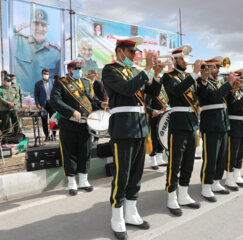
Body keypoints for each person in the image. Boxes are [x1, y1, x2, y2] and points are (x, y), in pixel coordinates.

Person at [102, 36, 163, 240]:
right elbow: (127, 89)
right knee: (122, 174)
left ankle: (131, 211)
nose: (134, 56)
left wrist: (156, 74)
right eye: (131, 52)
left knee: (136, 174)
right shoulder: (109, 70)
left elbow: (152, 94)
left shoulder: (136, 72)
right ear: (120, 52)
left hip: (139, 126)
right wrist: (146, 69)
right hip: (123, 127)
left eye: (136, 53)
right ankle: (116, 216)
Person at [50, 58, 107, 197]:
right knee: (69, 153)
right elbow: (55, 100)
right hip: (69, 124)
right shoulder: (61, 83)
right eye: (76, 69)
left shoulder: (87, 82)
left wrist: (101, 104)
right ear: (69, 70)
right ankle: (71, 182)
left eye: (80, 69)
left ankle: (83, 180)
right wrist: (72, 112)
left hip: (85, 125)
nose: (79, 72)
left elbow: (92, 99)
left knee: (85, 152)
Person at [162, 45, 202, 216]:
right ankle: (172, 198)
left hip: (191, 123)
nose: (186, 61)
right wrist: (194, 74)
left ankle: (184, 195)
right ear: (175, 60)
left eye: (187, 58)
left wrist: (202, 77)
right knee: (175, 163)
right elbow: (177, 91)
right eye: (183, 58)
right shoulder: (168, 76)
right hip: (178, 123)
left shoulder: (189, 77)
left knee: (188, 162)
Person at [196, 56, 236, 201]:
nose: (218, 70)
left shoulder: (219, 83)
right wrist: (229, 84)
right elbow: (213, 97)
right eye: (215, 67)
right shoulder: (202, 82)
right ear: (207, 68)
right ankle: (206, 186)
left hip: (223, 123)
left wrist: (232, 89)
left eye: (219, 67)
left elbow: (228, 103)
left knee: (221, 156)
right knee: (210, 157)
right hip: (210, 124)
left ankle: (216, 182)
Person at [14, 8, 60, 93]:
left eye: (43, 25)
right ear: (30, 25)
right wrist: (20, 26)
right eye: (36, 24)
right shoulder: (17, 41)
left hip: (45, 102)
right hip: (21, 102)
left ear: (48, 28)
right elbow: (3, 33)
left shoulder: (56, 53)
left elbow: (59, 83)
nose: (40, 28)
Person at [145, 87, 169, 170]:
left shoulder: (164, 93)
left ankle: (159, 158)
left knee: (162, 138)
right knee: (154, 139)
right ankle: (153, 160)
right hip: (154, 118)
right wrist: (152, 111)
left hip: (163, 118)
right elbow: (146, 106)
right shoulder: (151, 93)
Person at [34, 69, 56, 141]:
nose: (45, 75)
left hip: (52, 103)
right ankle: (46, 135)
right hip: (43, 104)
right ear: (42, 74)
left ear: (49, 74)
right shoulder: (38, 84)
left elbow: (57, 92)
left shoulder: (53, 82)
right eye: (44, 73)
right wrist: (37, 104)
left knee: (53, 120)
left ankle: (54, 135)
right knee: (44, 120)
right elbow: (36, 95)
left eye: (47, 74)